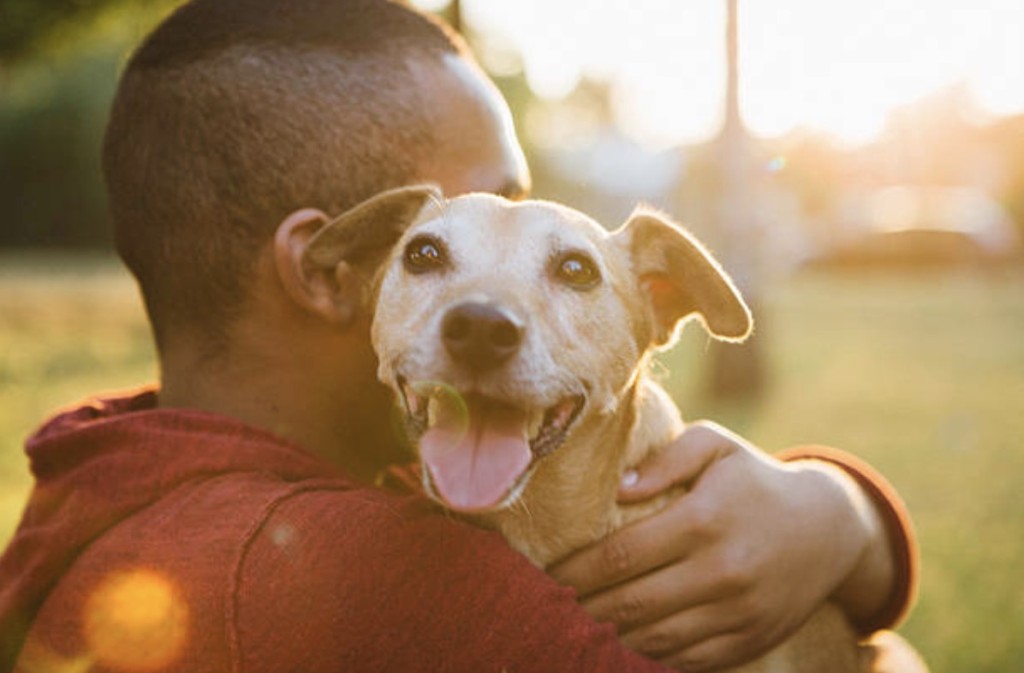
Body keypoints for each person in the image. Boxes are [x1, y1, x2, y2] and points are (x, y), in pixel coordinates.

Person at [0, 0, 920, 671]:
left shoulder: (97, 482)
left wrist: (844, 517)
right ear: (334, 269)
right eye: (441, 247)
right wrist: (852, 526)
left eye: (559, 263)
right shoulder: (406, 582)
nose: (491, 307)